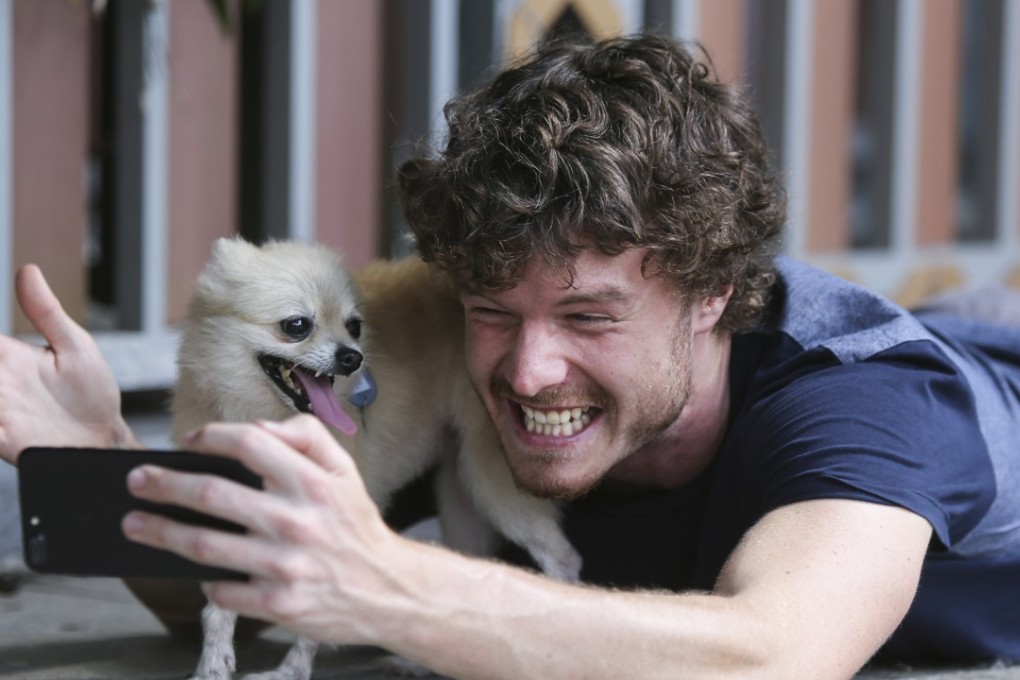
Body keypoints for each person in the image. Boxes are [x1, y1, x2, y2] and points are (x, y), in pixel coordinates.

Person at [2, 33, 1019, 678]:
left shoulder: (866, 397)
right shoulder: (460, 354)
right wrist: (96, 458)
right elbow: (224, 599)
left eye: (588, 317)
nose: (530, 372)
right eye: (496, 308)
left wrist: (390, 579)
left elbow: (775, 654)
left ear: (715, 294)